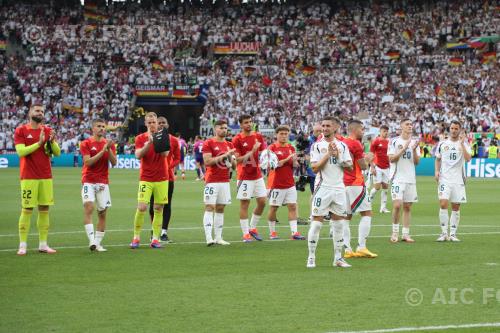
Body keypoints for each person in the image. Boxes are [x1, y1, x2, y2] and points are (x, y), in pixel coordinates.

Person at [14, 103, 61, 255]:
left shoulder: (47, 130)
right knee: (27, 208)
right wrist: (39, 143)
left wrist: (52, 141)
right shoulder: (21, 130)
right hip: (28, 176)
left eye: (42, 111)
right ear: (30, 112)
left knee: (44, 209)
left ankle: (43, 244)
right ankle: (22, 244)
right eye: (37, 110)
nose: (40, 113)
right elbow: (21, 152)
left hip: (46, 176)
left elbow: (57, 153)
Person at [306, 116, 353, 269]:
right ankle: (311, 257)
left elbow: (349, 167)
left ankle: (338, 258)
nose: (324, 128)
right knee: (317, 224)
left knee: (339, 224)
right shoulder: (317, 146)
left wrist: (338, 157)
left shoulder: (343, 146)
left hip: (339, 188)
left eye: (328, 126)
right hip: (323, 188)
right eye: (323, 126)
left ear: (335, 128)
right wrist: (328, 155)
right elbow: (314, 168)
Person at [130, 112, 170, 249]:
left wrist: (157, 141)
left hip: (162, 177)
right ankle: (136, 237)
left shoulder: (164, 136)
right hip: (146, 177)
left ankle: (155, 239)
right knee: (142, 207)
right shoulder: (140, 138)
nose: (152, 125)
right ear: (146, 123)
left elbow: (165, 154)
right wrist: (149, 143)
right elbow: (138, 155)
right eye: (150, 122)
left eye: (154, 122)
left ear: (158, 123)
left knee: (158, 208)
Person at [341, 120, 378, 259]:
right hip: (355, 182)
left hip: (343, 182)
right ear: (355, 130)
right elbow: (362, 166)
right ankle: (361, 247)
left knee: (346, 216)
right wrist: (368, 159)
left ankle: (347, 249)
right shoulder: (355, 143)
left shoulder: (343, 142)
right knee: (367, 213)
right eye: (362, 129)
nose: (363, 132)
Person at [80, 118, 117, 252]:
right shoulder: (85, 143)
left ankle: (97, 243)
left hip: (103, 182)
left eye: (103, 126)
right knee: (89, 207)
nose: (102, 128)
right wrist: (102, 151)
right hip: (88, 181)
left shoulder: (109, 144)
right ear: (93, 128)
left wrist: (109, 149)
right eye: (99, 126)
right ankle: (91, 241)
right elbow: (88, 162)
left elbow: (114, 163)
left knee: (102, 213)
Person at [434, 121, 472, 242]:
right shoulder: (443, 143)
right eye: (452, 128)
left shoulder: (464, 144)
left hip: (458, 179)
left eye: (456, 128)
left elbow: (468, 159)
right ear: (449, 129)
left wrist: (461, 144)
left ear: (460, 130)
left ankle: (453, 234)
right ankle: (444, 233)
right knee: (443, 204)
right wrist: (436, 171)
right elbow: (438, 159)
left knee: (455, 207)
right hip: (444, 179)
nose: (454, 130)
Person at [232, 114, 267, 242]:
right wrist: (252, 151)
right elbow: (238, 159)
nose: (249, 124)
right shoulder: (237, 139)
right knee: (245, 204)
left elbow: (264, 152)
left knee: (262, 202)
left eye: (250, 121)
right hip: (244, 176)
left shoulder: (258, 136)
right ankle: (245, 234)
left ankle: (252, 228)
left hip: (257, 174)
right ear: (240, 125)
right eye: (246, 122)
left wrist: (268, 159)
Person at [267, 125, 305, 240]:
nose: (284, 136)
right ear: (276, 135)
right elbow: (272, 165)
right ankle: (272, 232)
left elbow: (294, 165)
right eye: (281, 134)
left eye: (286, 134)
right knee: (274, 208)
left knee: (292, 206)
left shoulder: (291, 148)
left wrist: (295, 161)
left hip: (289, 183)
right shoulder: (271, 148)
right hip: (275, 183)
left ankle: (294, 233)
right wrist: (286, 159)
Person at [201, 120, 236, 246]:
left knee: (221, 208)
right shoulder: (209, 143)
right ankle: (208, 238)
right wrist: (224, 156)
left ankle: (218, 238)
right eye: (221, 128)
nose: (224, 130)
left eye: (226, 128)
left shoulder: (230, 145)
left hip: (225, 181)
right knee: (210, 207)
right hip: (211, 180)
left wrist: (231, 160)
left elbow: (235, 166)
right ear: (216, 129)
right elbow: (207, 161)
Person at [388, 118, 420, 243]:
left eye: (411, 124)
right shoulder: (395, 141)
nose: (410, 126)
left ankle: (405, 234)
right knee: (397, 205)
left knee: (407, 207)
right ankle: (394, 232)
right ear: (401, 126)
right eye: (407, 124)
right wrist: (404, 148)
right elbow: (392, 159)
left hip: (410, 179)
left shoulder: (414, 143)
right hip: (397, 178)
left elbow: (417, 162)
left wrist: (412, 150)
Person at [148, 117, 180, 242]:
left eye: (163, 123)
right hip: (153, 177)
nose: (161, 125)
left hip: (168, 177)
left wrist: (168, 167)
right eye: (159, 123)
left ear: (167, 125)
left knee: (166, 205)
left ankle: (164, 232)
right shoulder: (151, 138)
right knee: (152, 206)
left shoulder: (174, 140)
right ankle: (154, 230)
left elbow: (177, 158)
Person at [369, 125, 391, 213]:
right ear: (380, 132)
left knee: (385, 187)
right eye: (384, 131)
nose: (385, 133)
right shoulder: (376, 142)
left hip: (387, 167)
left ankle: (383, 208)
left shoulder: (389, 142)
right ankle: (368, 203)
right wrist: (372, 167)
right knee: (377, 187)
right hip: (377, 167)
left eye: (387, 131)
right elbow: (371, 154)